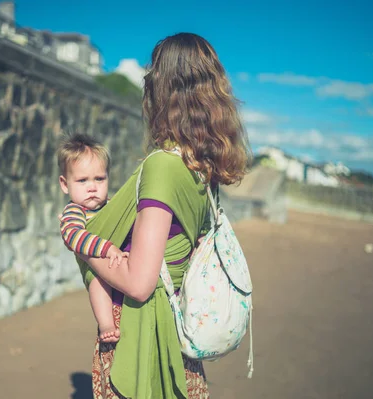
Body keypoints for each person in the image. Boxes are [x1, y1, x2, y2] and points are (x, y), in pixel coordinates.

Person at [74, 32, 251, 399]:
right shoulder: (202, 170)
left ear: (163, 88)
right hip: (178, 333)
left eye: (152, 75)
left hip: (144, 337)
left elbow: (140, 282)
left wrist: (83, 247)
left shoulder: (162, 167)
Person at [57, 134, 129, 343]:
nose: (92, 187)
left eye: (99, 179)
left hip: (121, 265)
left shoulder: (111, 205)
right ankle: (106, 324)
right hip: (95, 267)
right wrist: (107, 248)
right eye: (82, 180)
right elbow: (74, 237)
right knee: (98, 283)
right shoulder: (74, 211)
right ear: (65, 184)